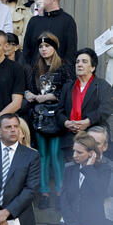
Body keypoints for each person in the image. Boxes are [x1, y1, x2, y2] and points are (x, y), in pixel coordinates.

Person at [25, 32, 75, 209]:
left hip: (56, 115)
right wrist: (29, 94)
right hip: (39, 116)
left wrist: (49, 97)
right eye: (41, 46)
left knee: (56, 154)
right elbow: (28, 88)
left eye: (47, 46)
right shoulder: (35, 67)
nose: (44, 49)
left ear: (54, 48)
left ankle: (61, 193)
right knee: (43, 155)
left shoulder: (64, 67)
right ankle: (44, 192)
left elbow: (69, 90)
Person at [60, 131, 113, 225]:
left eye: (79, 152)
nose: (74, 155)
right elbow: (63, 199)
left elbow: (101, 192)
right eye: (74, 150)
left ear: (91, 154)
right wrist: (72, 223)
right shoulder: (70, 168)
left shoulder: (104, 170)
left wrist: (88, 168)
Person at [56, 48, 113, 161]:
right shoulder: (68, 87)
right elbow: (59, 111)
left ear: (93, 67)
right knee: (72, 175)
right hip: (71, 139)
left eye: (84, 61)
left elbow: (105, 109)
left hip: (93, 138)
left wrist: (88, 121)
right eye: (77, 62)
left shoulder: (102, 85)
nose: (79, 65)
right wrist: (66, 122)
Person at [23, 0, 77, 66]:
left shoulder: (67, 21)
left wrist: (64, 75)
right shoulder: (34, 21)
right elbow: (26, 51)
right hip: (35, 75)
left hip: (59, 75)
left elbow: (70, 54)